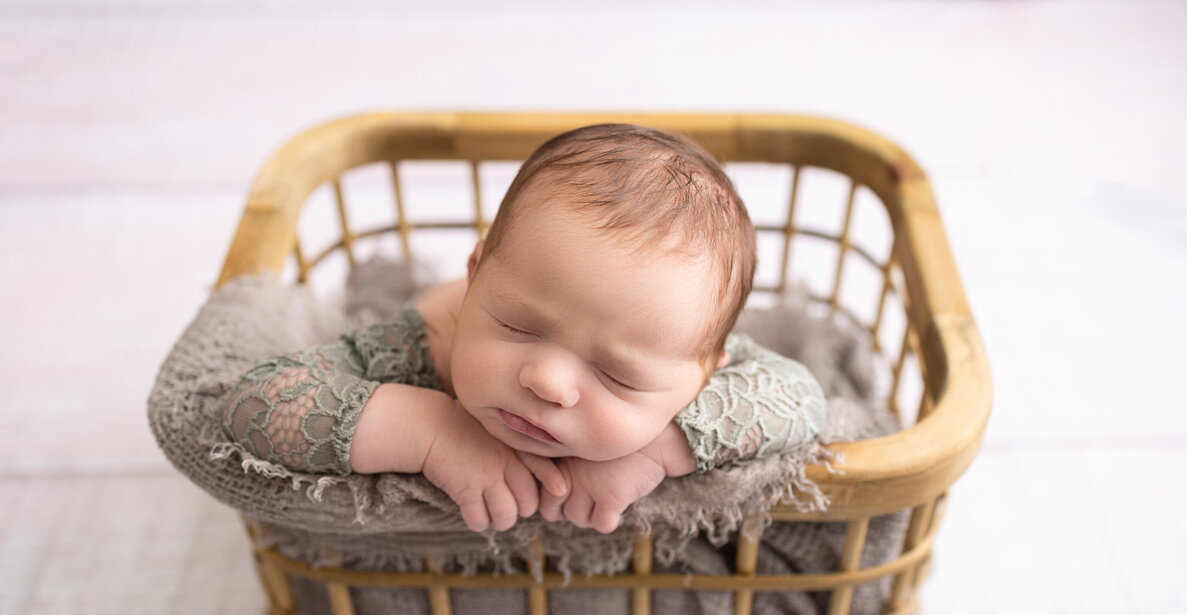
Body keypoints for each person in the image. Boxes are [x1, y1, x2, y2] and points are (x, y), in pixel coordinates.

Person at [223, 124, 826, 534]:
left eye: (618, 377)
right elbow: (254, 405)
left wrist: (660, 449)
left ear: (704, 377)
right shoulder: (421, 345)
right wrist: (433, 432)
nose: (547, 381)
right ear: (475, 273)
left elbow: (799, 397)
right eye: (516, 325)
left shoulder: (679, 356)